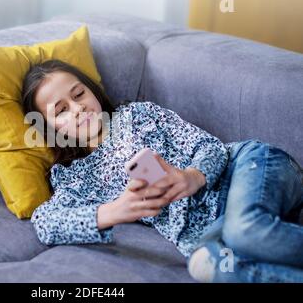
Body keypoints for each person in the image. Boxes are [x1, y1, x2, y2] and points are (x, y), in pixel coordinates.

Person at [21, 59, 303, 283]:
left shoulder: (138, 114)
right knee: (209, 266)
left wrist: (193, 177)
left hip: (248, 167)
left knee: (246, 232)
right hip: (214, 230)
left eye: (79, 94)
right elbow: (45, 223)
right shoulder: (74, 178)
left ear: (91, 90)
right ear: (49, 128)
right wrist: (117, 210)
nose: (78, 108)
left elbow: (209, 147)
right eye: (61, 110)